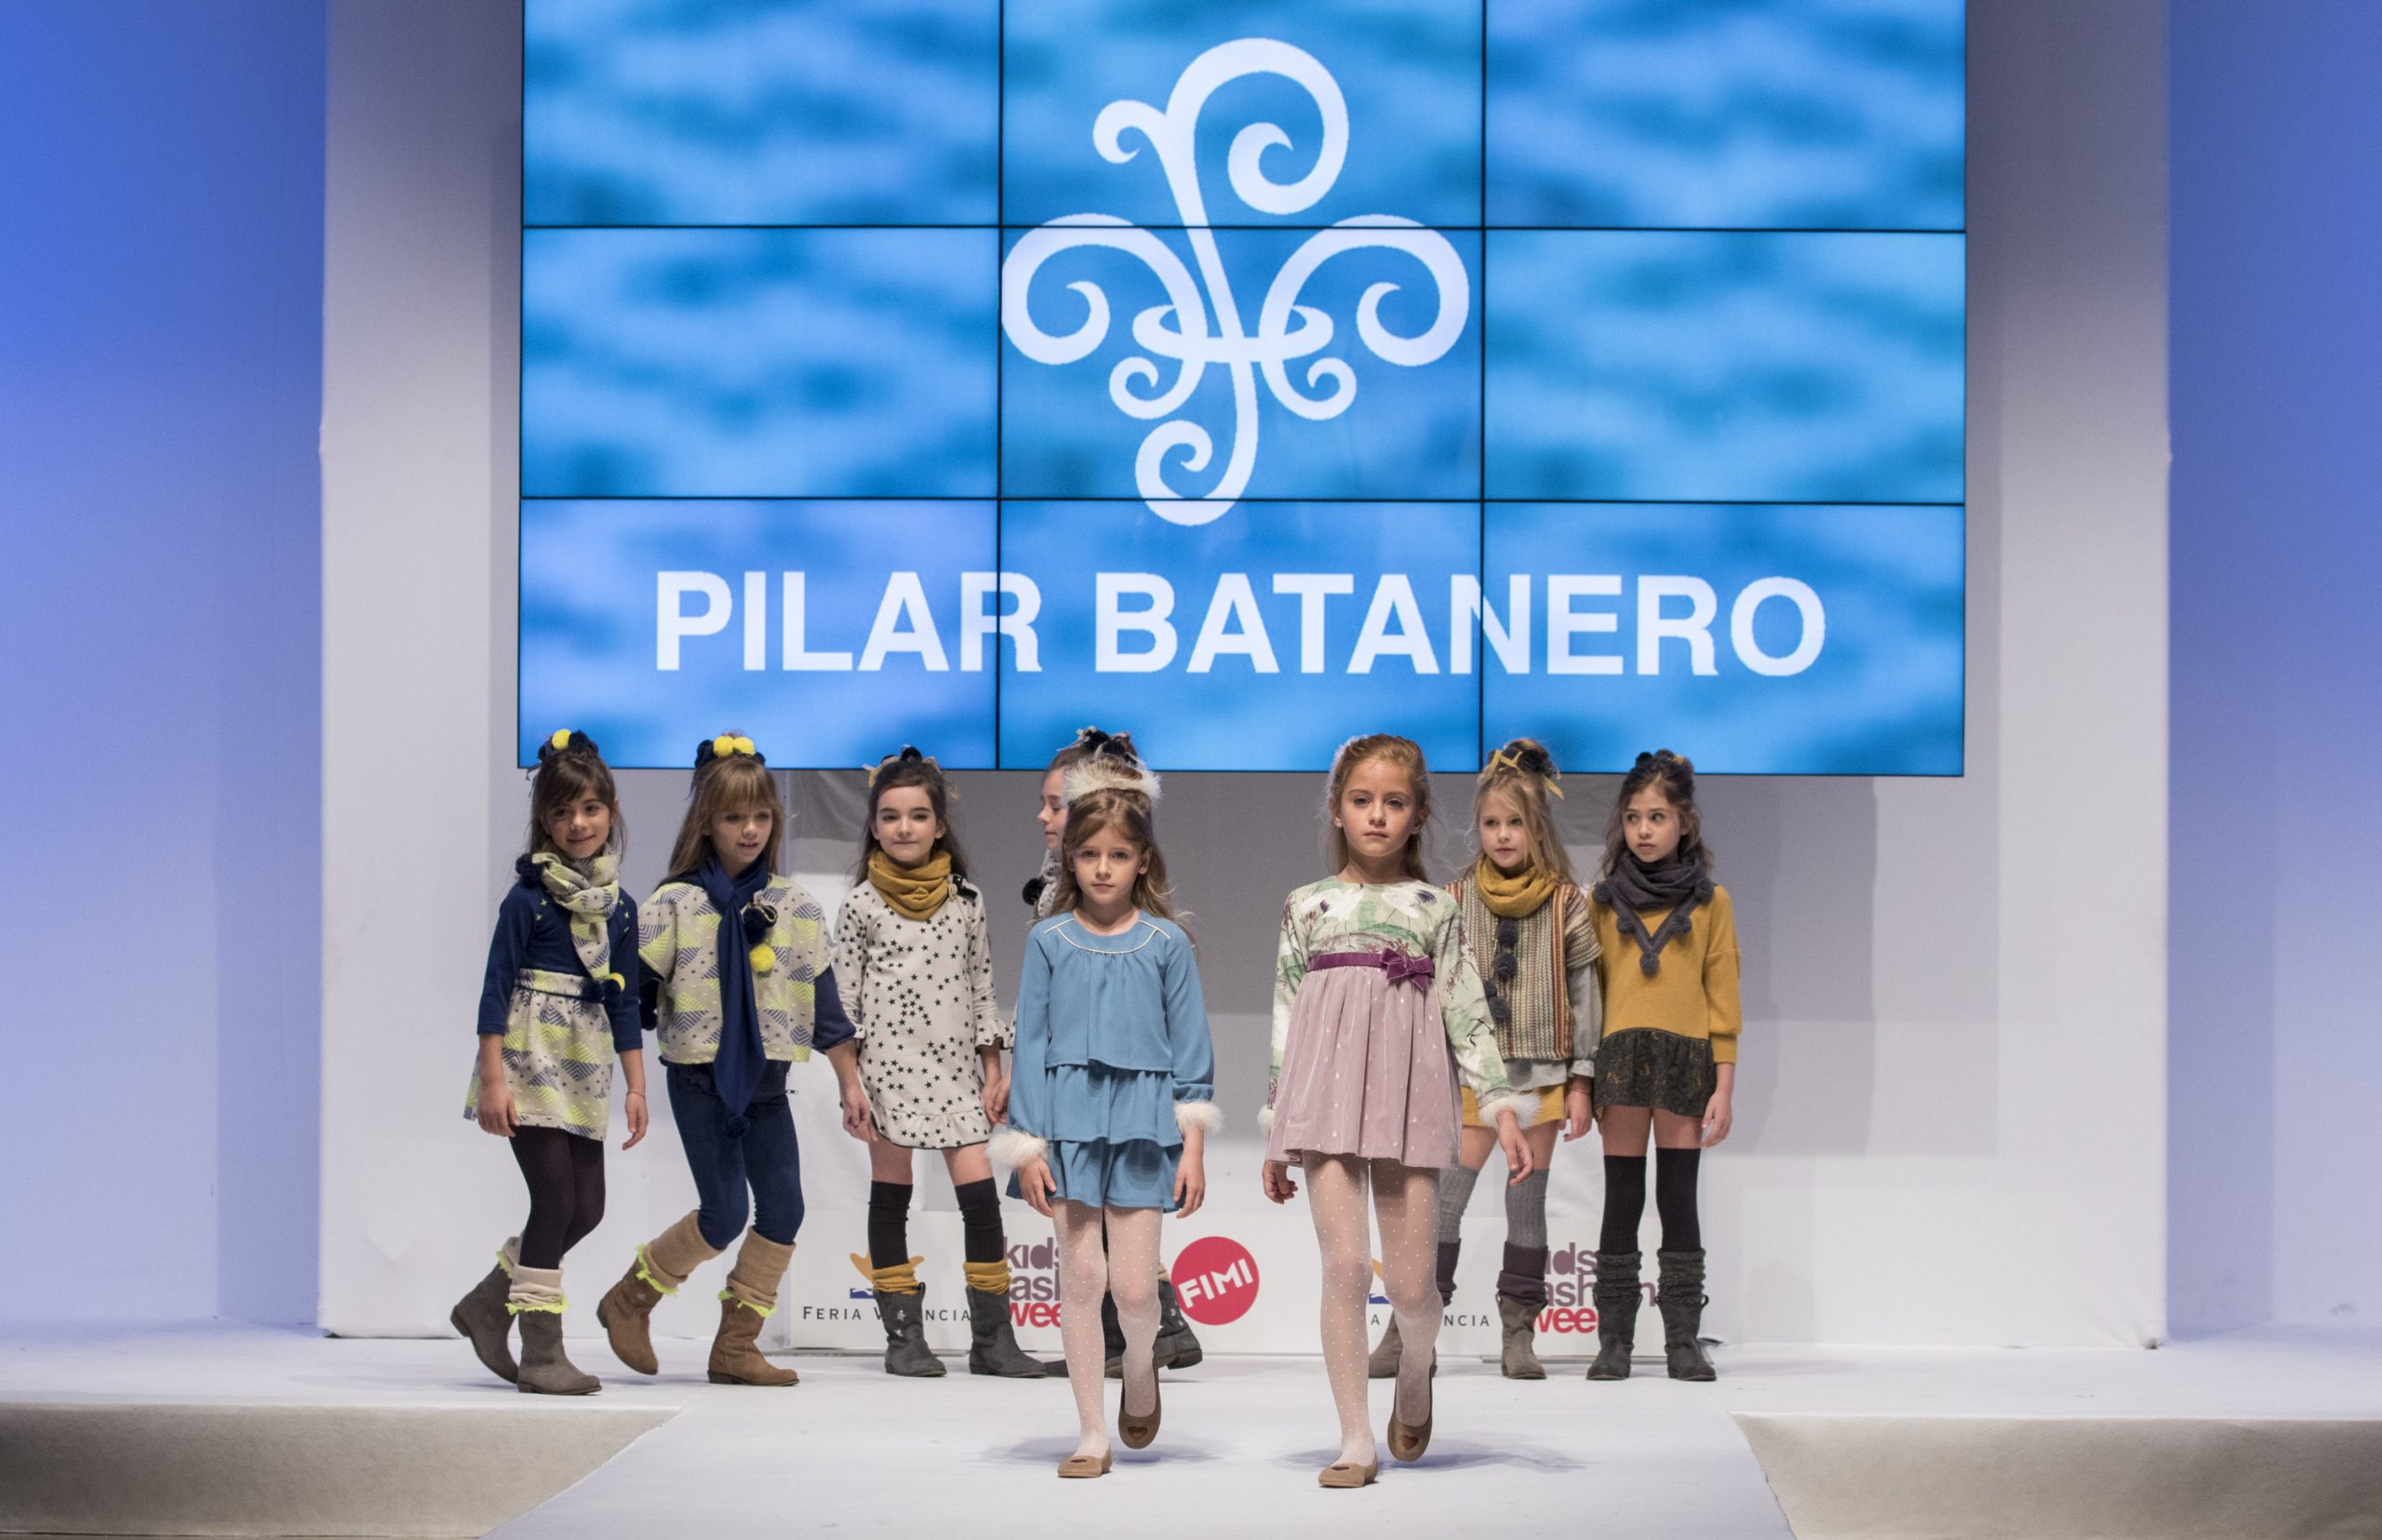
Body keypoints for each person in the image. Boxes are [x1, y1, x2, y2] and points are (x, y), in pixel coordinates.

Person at [1261, 733, 1534, 1487]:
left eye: (1394, 801)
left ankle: (1416, 1366)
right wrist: (1276, 1124)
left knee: (1413, 1288)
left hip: (1407, 1098)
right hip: (1322, 1100)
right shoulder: (1306, 905)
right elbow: (1287, 1015)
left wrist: (1501, 1107)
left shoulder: (1435, 908)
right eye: (1362, 800)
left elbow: (1466, 1010)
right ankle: (1355, 1437)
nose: (1376, 815)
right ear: (1337, 808)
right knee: (1346, 1266)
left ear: (1417, 814)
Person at [595, 734, 870, 1386]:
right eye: (733, 817)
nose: (750, 830)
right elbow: (629, 995)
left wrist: (849, 1083)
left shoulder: (796, 907)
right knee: (722, 1213)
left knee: (784, 1209)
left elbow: (827, 1008)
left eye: (762, 816)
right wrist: (626, 1070)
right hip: (700, 1080)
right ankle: (630, 1298)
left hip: (767, 1085)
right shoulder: (674, 903)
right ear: (706, 823)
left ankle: (735, 1346)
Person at [1000, 740, 1216, 1476]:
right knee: (1081, 1280)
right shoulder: (1048, 940)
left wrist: (1193, 1145)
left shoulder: (1167, 943)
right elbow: (1031, 1042)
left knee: (1132, 1287)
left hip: (1144, 1123)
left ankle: (1143, 1365)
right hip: (1065, 1121)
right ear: (1070, 859)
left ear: (1142, 861)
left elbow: (1191, 1048)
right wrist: (1027, 1144)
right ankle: (1092, 1430)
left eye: (1118, 855)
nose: (1101, 868)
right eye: (1089, 853)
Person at [1369, 738, 1599, 1381]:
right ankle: (1410, 1331)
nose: (1502, 835)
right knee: (1443, 1204)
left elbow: (1586, 993)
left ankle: (1519, 1333)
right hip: (1471, 1076)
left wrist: (1582, 1078)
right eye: (1492, 822)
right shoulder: (1452, 898)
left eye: (1515, 822)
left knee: (1527, 1206)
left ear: (1537, 827)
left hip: (1542, 1075)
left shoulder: (1567, 902)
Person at [839, 747, 1043, 1378]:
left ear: (939, 824)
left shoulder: (966, 900)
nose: (904, 827)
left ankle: (993, 1340)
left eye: (918, 815)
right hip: (886, 1074)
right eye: (891, 816)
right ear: (874, 826)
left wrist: (993, 1069)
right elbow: (842, 1004)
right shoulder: (860, 905)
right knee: (891, 1198)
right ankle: (904, 1337)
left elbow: (982, 987)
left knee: (980, 1200)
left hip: (957, 1073)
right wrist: (849, 1083)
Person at [454, 729, 647, 1395]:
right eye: (563, 811)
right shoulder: (527, 900)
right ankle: (541, 1352)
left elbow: (626, 1001)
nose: (578, 824)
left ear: (612, 811)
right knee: (556, 1198)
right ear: (544, 819)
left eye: (590, 808)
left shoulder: (621, 908)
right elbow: (494, 990)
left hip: (584, 1063)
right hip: (528, 1059)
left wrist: (636, 1086)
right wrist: (492, 1079)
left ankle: (488, 1303)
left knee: (587, 1208)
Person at [1582, 750, 1741, 1382]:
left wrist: (1724, 1085)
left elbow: (1723, 997)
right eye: (1632, 817)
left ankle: (1682, 1340)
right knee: (1621, 1199)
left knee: (1678, 1198)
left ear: (1684, 822)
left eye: (1657, 816)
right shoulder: (1601, 902)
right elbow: (1590, 995)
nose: (1643, 830)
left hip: (1685, 1059)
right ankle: (1614, 1341)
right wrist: (1582, 1080)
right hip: (1620, 1058)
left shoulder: (1711, 902)